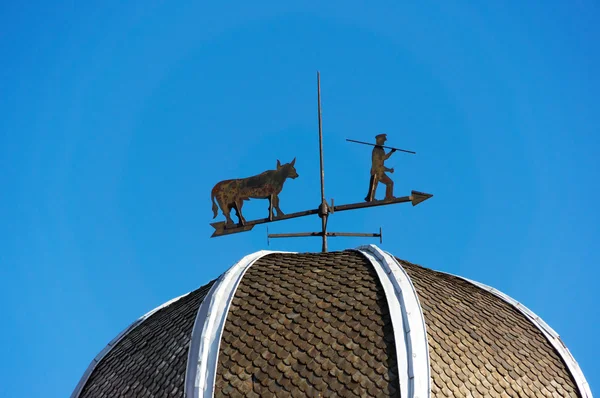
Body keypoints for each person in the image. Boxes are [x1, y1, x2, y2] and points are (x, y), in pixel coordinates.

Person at [365, 134, 396, 202]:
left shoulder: (381, 150)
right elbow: (379, 163)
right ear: (379, 140)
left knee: (390, 183)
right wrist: (391, 152)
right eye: (383, 140)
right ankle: (371, 199)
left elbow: (383, 160)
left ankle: (388, 196)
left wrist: (391, 152)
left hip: (380, 172)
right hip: (376, 172)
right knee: (373, 187)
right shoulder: (376, 150)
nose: (384, 142)